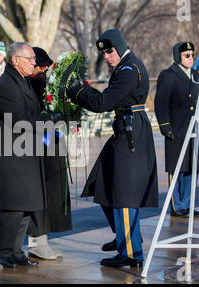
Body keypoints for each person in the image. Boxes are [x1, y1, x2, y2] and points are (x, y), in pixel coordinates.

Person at [66, 29, 158, 268]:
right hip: (125, 128)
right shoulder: (126, 66)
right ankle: (124, 236)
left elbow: (102, 103)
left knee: (123, 193)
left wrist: (76, 90)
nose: (106, 56)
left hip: (130, 133)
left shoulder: (128, 70)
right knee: (103, 181)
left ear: (119, 46)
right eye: (103, 52)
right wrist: (81, 90)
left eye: (109, 50)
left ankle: (131, 252)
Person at [0, 42, 65, 268]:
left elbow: (33, 112)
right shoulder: (5, 86)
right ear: (15, 60)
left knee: (26, 203)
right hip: (9, 152)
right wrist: (50, 119)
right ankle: (0, 250)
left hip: (24, 150)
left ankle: (14, 251)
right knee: (14, 205)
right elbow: (21, 120)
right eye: (30, 58)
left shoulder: (22, 81)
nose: (34, 62)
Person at [26, 47, 72, 260]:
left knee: (51, 192)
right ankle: (36, 241)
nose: (45, 69)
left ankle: (40, 240)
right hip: (40, 143)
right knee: (42, 193)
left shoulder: (42, 84)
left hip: (50, 141)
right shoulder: (32, 85)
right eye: (42, 65)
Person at [154, 42, 199, 218]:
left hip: (193, 127)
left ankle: (188, 204)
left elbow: (197, 100)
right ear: (178, 57)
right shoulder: (168, 75)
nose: (191, 59)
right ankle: (177, 205)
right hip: (177, 128)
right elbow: (160, 102)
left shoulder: (197, 75)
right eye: (187, 55)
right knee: (177, 168)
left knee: (193, 166)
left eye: (192, 55)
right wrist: (164, 126)